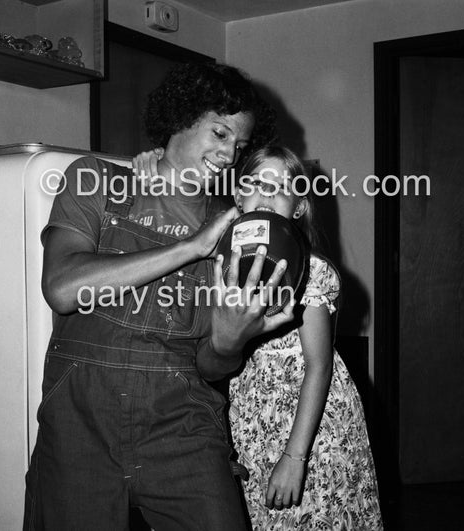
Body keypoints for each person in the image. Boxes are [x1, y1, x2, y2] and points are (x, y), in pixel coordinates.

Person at [24, 63, 296, 531]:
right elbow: (64, 288)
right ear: (181, 117)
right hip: (79, 424)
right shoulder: (96, 181)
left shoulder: (234, 223)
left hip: (183, 426)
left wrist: (229, 342)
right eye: (221, 133)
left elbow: (210, 366)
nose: (230, 154)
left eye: (240, 145)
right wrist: (189, 247)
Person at [227, 145, 383, 530]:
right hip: (254, 419)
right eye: (257, 183)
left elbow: (319, 365)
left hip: (309, 428)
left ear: (298, 207)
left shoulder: (310, 270)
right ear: (238, 194)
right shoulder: (221, 264)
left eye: (281, 187)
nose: (267, 194)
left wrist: (295, 457)